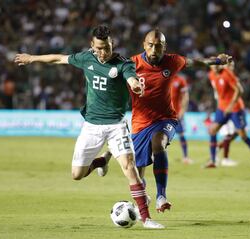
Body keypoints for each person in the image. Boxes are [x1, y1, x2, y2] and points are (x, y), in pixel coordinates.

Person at [14, 25, 164, 229]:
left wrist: (136, 85)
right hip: (91, 126)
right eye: (100, 48)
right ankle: (100, 161)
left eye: (107, 48)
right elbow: (59, 58)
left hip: (116, 125)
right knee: (77, 174)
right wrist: (32, 58)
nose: (104, 52)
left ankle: (146, 218)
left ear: (113, 44)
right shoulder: (86, 58)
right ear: (92, 46)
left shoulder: (123, 64)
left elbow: (132, 79)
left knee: (129, 168)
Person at [129, 29, 232, 213]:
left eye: (158, 46)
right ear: (144, 45)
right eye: (150, 45)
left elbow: (197, 62)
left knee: (158, 143)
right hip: (139, 122)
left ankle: (162, 196)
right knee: (138, 170)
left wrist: (217, 60)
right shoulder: (131, 64)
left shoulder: (173, 61)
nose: (154, 50)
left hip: (165, 118)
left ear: (164, 47)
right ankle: (142, 201)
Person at [206, 61, 250, 169]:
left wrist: (230, 106)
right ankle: (213, 160)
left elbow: (239, 90)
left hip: (236, 108)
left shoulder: (228, 75)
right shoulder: (212, 75)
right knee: (212, 130)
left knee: (242, 135)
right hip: (222, 108)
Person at [170, 73, 193, 164]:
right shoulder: (163, 77)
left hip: (176, 113)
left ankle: (185, 157)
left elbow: (185, 97)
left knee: (181, 134)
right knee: (159, 135)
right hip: (164, 113)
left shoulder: (180, 80)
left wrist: (182, 111)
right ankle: (157, 156)